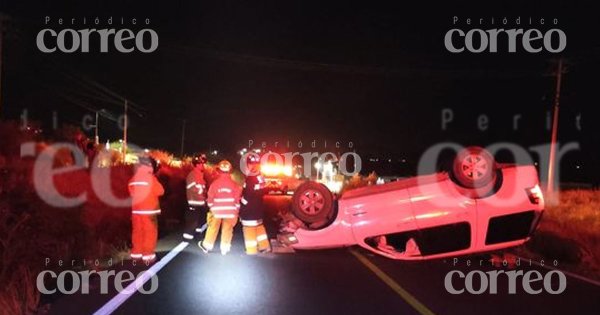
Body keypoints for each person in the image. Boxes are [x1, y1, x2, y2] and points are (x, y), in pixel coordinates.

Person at [199, 160, 242, 255]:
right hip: (230, 211)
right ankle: (225, 248)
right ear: (230, 171)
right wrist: (236, 211)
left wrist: (211, 207)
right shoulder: (234, 185)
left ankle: (207, 246)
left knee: (212, 228)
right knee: (227, 229)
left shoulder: (214, 184)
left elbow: (210, 198)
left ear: (219, 170)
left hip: (216, 211)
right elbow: (237, 199)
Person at [128, 157, 164, 263]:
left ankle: (136, 253)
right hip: (149, 211)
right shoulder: (150, 178)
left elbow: (131, 192)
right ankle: (148, 255)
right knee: (150, 232)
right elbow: (161, 191)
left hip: (136, 211)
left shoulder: (133, 179)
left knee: (137, 232)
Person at [240, 154, 272, 254]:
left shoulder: (250, 178)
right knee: (259, 227)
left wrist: (241, 202)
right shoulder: (261, 177)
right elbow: (265, 189)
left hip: (249, 210)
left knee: (249, 229)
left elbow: (247, 195)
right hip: (259, 208)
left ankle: (251, 250)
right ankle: (264, 246)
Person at [183, 154, 209, 240]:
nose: (202, 166)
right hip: (194, 202)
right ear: (196, 165)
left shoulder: (199, 175)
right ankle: (187, 238)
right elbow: (192, 188)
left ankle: (198, 234)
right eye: (200, 164)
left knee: (200, 220)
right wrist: (201, 191)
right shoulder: (192, 175)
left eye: (203, 164)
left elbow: (202, 187)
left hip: (200, 202)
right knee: (192, 220)